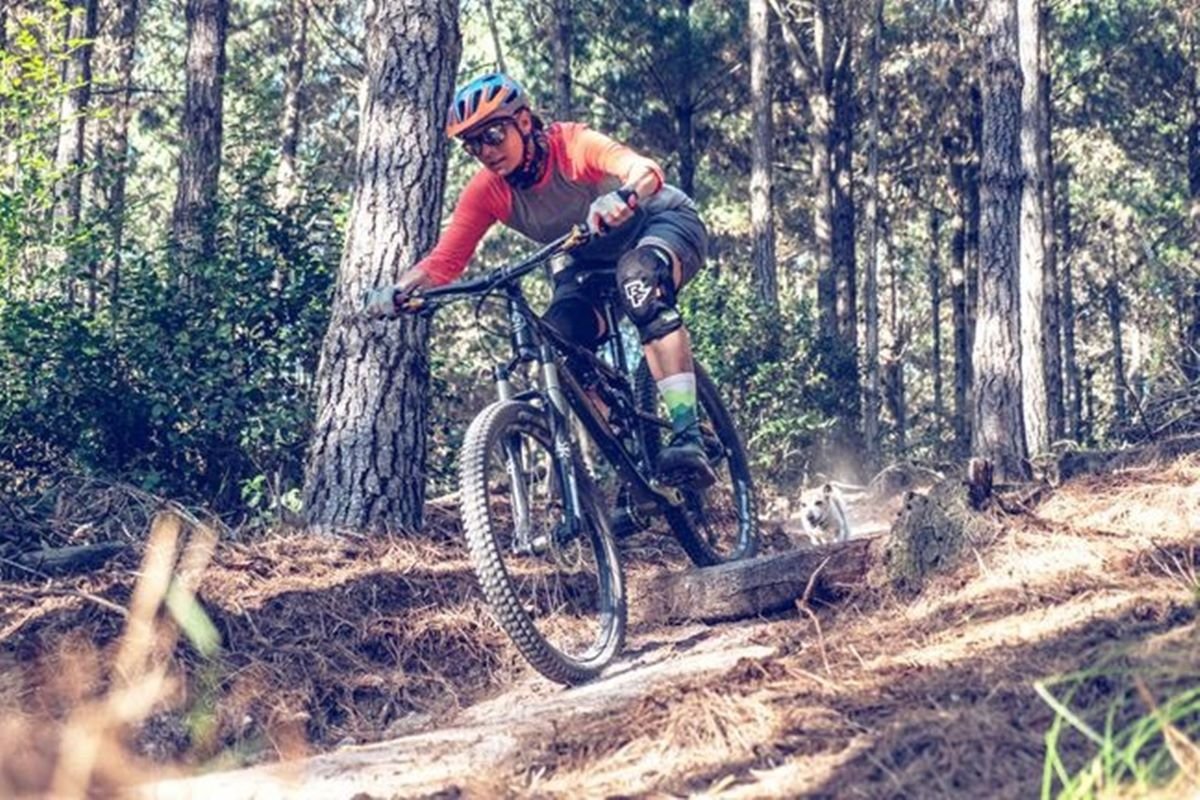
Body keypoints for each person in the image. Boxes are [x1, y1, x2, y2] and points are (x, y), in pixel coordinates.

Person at [367, 72, 714, 487]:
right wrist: (400, 290)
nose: (485, 151)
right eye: (473, 144)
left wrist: (622, 195)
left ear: (525, 122)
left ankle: (688, 434)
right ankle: (632, 468)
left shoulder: (571, 146)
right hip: (586, 260)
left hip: (658, 224)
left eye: (493, 134)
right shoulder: (488, 190)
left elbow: (643, 169)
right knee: (559, 337)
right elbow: (445, 260)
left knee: (639, 280)